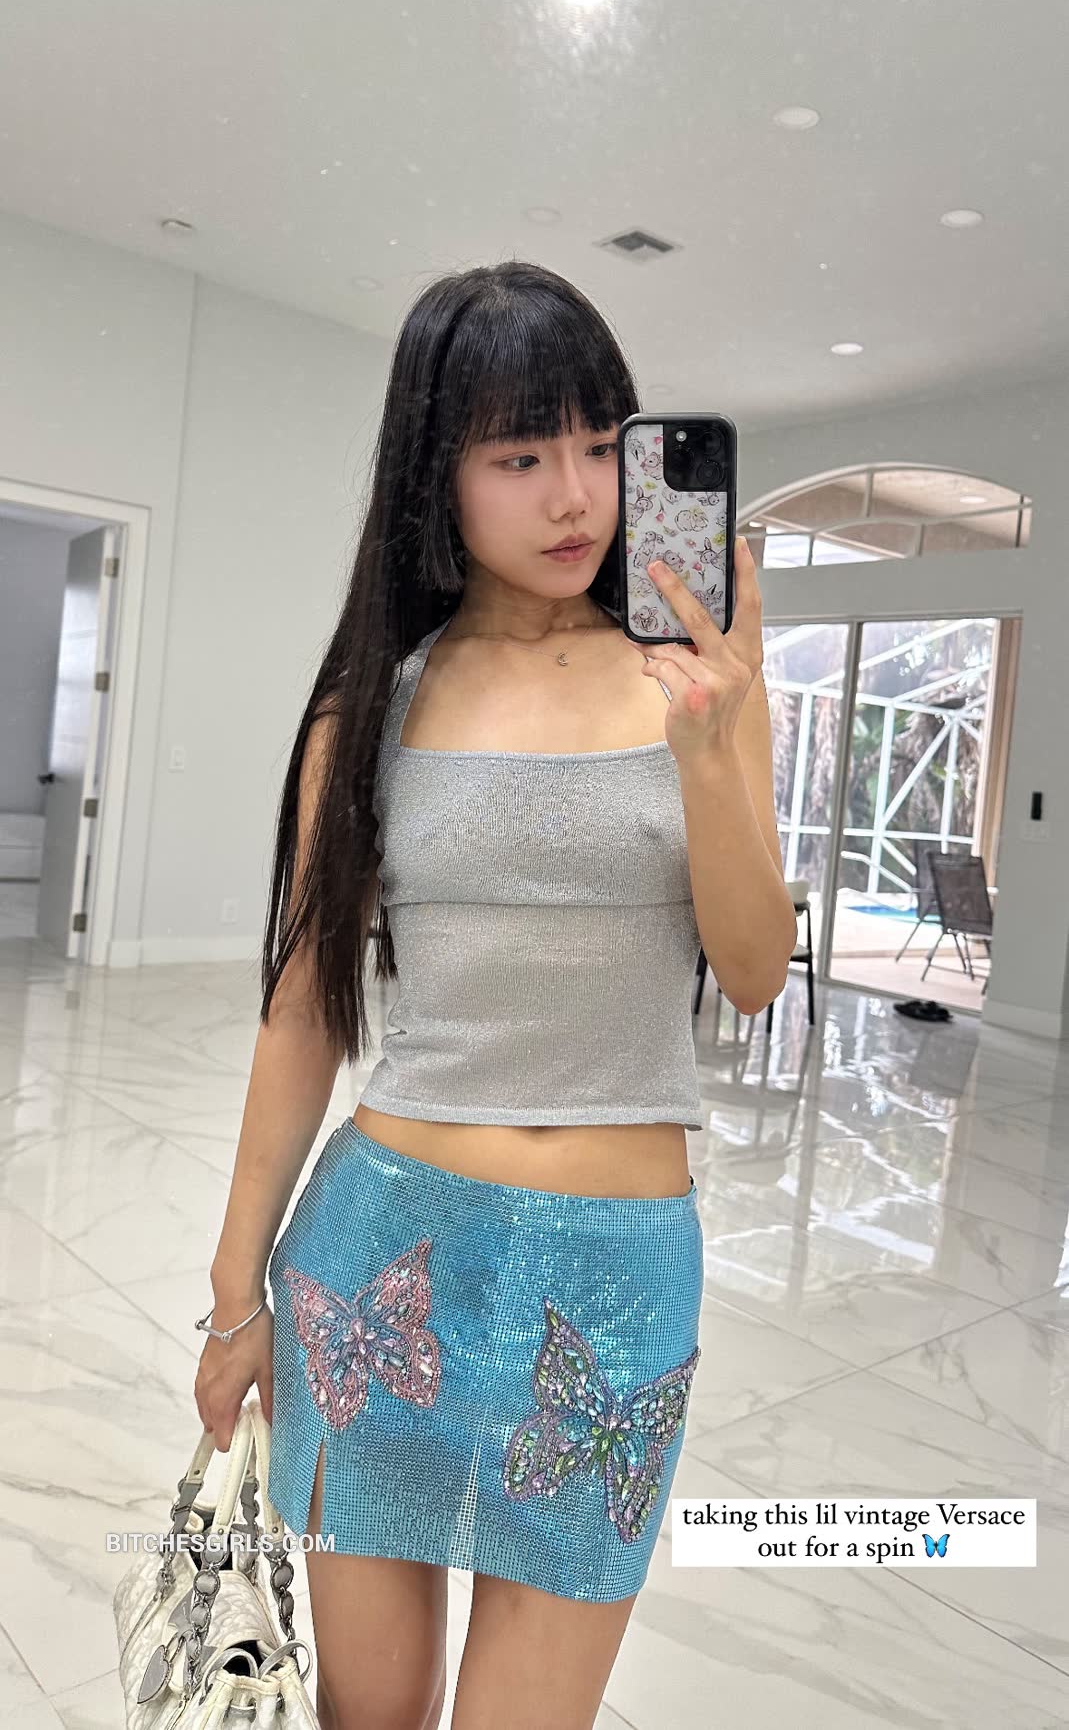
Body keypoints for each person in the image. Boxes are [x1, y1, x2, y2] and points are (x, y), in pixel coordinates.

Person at [195, 259, 797, 1730]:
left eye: (598, 445)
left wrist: (711, 750)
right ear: (438, 476)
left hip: (615, 1281)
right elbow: (304, 1011)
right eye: (520, 456)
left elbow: (751, 970)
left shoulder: (699, 676)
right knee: (368, 1717)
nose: (574, 496)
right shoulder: (374, 704)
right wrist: (232, 1298)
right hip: (377, 1262)